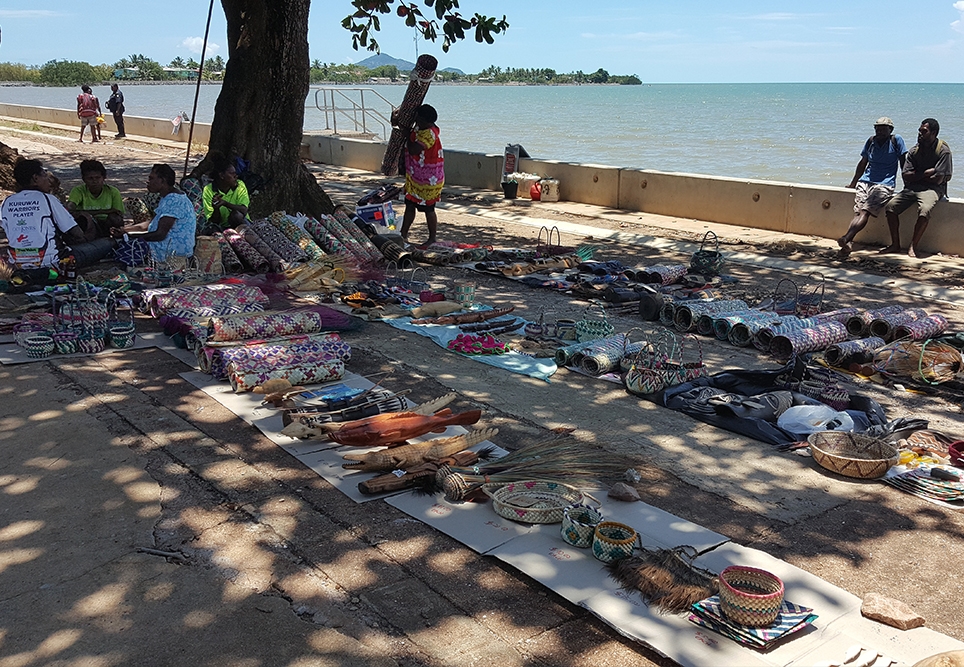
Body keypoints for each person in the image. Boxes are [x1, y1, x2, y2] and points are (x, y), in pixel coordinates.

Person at [1, 158, 92, 271]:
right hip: (51, 263)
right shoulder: (48, 199)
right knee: (104, 245)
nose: (48, 181)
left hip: (16, 265)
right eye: (45, 176)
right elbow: (76, 233)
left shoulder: (6, 202)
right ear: (35, 178)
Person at [882, 118, 953, 257]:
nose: (920, 134)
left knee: (924, 210)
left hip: (933, 189)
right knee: (890, 207)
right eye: (919, 131)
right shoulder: (914, 151)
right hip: (913, 187)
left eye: (924, 132)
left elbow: (938, 179)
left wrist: (917, 175)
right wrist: (926, 173)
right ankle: (895, 244)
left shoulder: (943, 151)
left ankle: (913, 246)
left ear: (934, 133)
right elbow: (906, 175)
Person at [836, 117, 906, 258]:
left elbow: (904, 163)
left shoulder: (896, 140)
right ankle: (848, 242)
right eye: (877, 128)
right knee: (858, 212)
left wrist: (907, 185)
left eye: (883, 128)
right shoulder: (871, 141)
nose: (879, 131)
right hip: (865, 181)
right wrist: (853, 183)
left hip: (884, 184)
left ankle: (846, 238)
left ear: (890, 130)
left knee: (865, 212)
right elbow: (862, 163)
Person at [110, 164, 196, 263]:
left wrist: (129, 237)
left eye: (151, 179)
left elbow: (160, 234)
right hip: (169, 246)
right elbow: (150, 224)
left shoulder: (174, 200)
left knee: (121, 249)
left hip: (171, 251)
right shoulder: (169, 198)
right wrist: (125, 230)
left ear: (162, 181)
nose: (148, 182)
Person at [399, 103, 444, 248]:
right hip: (416, 177)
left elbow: (413, 150)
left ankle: (432, 238)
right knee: (410, 205)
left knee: (428, 208)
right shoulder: (420, 129)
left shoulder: (430, 134)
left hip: (429, 179)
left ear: (426, 121)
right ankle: (403, 235)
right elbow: (407, 130)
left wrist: (406, 136)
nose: (416, 121)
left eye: (418, 119)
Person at [66, 159, 125, 240]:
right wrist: (104, 211)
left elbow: (118, 213)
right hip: (88, 225)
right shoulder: (78, 191)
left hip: (106, 224)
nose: (94, 181)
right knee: (84, 218)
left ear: (104, 178)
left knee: (115, 219)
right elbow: (70, 209)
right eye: (90, 178)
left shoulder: (112, 191)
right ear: (84, 179)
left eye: (97, 178)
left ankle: (116, 240)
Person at [201, 152, 250, 230]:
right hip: (222, 227)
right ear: (222, 175)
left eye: (235, 173)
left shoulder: (240, 185)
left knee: (236, 215)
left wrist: (225, 203)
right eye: (232, 174)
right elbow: (214, 221)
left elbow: (244, 210)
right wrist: (216, 208)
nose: (235, 176)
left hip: (242, 225)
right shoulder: (209, 190)